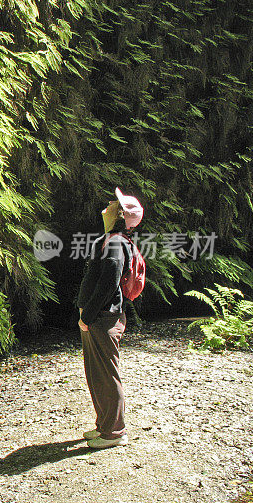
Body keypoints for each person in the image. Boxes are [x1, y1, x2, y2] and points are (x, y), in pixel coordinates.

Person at [76, 187, 143, 449]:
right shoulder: (112, 240)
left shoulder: (114, 243)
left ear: (119, 217)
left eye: (113, 205)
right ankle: (104, 426)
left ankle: (115, 432)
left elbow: (107, 284)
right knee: (97, 374)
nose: (107, 207)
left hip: (103, 319)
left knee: (106, 375)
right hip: (101, 318)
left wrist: (87, 315)